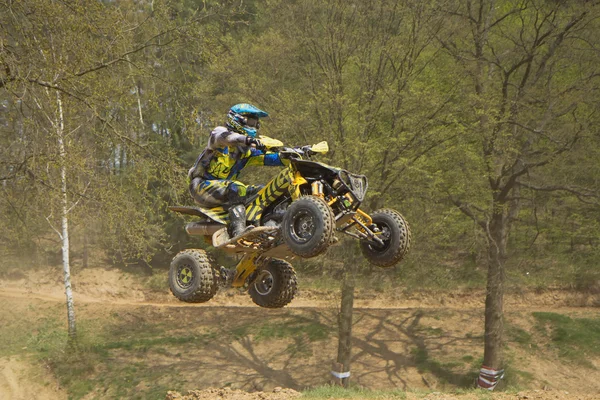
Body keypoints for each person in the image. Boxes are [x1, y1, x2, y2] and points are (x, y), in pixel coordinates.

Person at [188, 103, 284, 238]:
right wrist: (248, 140)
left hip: (225, 189)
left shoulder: (247, 152)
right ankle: (238, 232)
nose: (254, 126)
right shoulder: (219, 135)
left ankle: (269, 227)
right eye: (251, 121)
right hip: (200, 186)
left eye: (256, 123)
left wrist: (299, 153)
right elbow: (229, 138)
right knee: (238, 188)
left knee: (266, 191)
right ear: (237, 119)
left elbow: (274, 159)